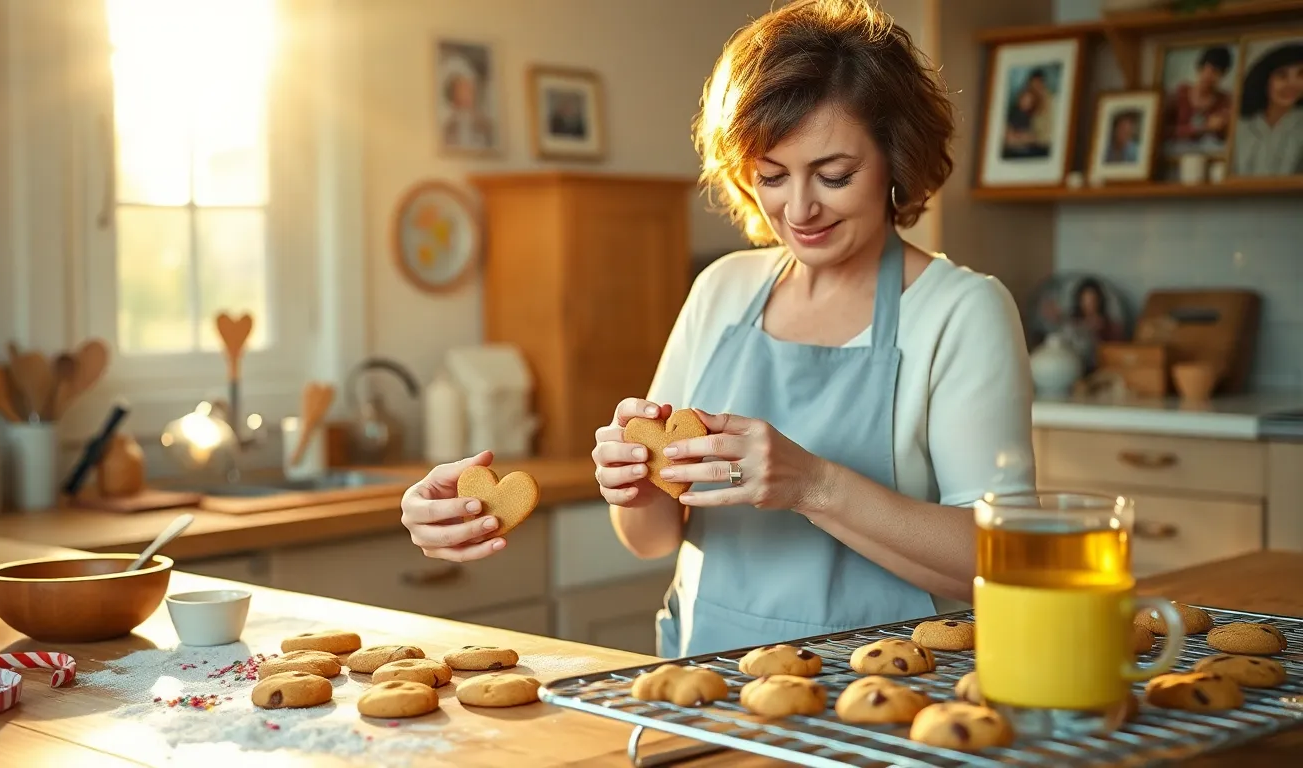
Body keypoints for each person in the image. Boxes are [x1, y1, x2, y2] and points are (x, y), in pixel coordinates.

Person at [398, 0, 1036, 658]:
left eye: (834, 175)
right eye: (772, 176)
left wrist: (813, 484)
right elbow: (652, 538)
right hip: (712, 678)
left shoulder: (961, 312)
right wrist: (636, 485)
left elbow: (1006, 563)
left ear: (897, 161)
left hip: (893, 701)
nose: (800, 207)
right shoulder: (723, 290)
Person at [1232, 42, 1303, 177]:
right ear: (1264, 79)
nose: (1292, 84)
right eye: (1282, 75)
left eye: (1301, 75)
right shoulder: (1241, 126)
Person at [1162, 46, 1233, 153]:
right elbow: (1161, 131)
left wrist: (1223, 126)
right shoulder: (1179, 94)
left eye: (1218, 73)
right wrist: (1204, 127)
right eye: (1210, 70)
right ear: (1199, 68)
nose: (1211, 77)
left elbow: (1227, 139)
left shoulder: (1224, 101)